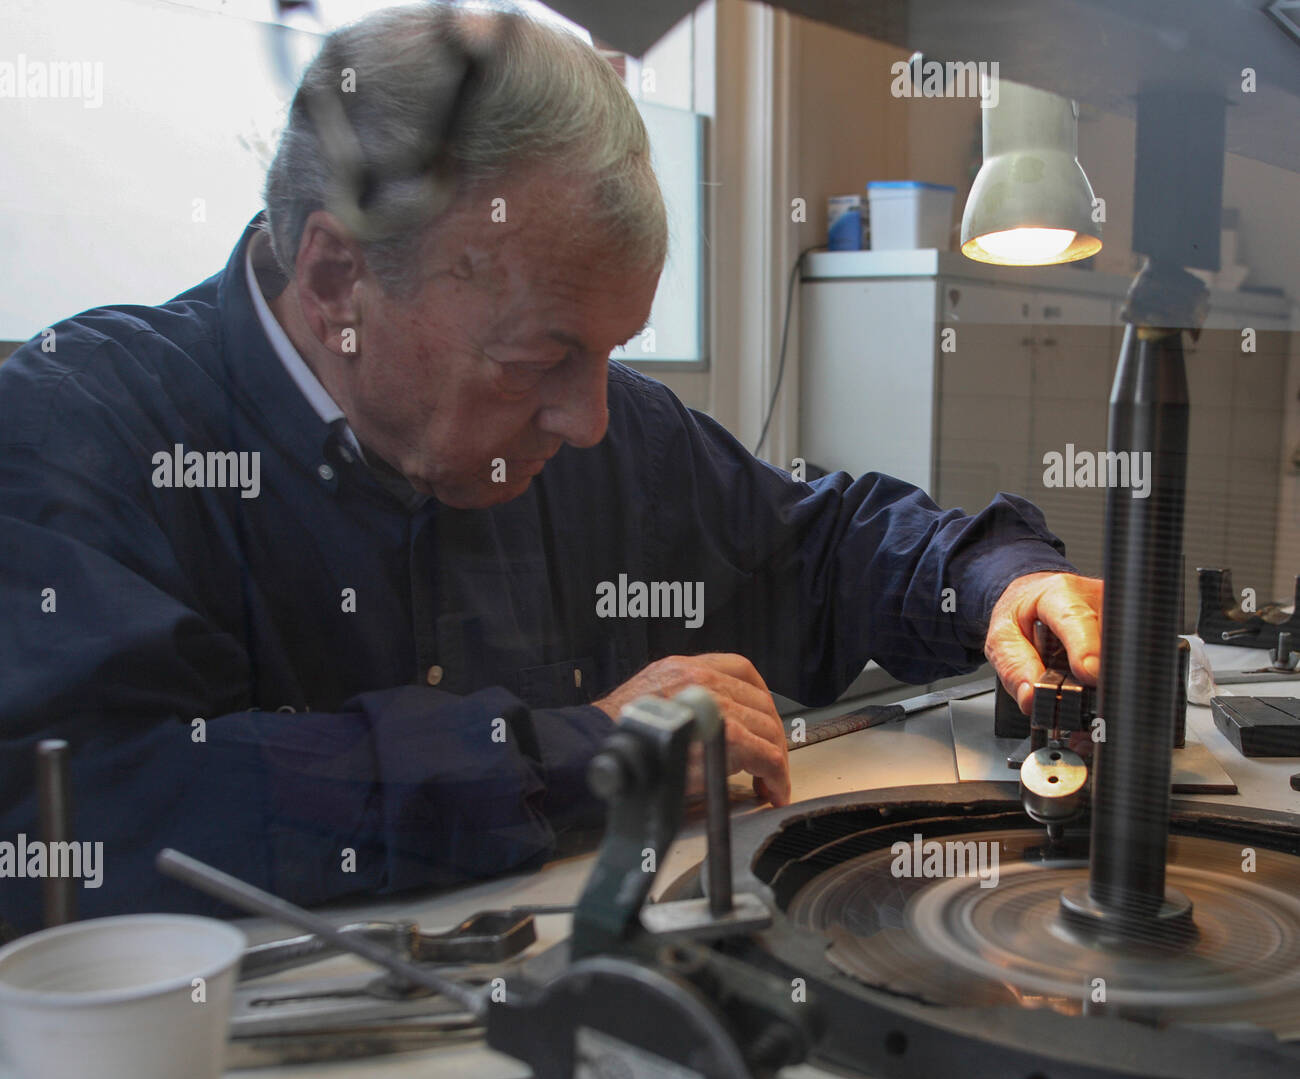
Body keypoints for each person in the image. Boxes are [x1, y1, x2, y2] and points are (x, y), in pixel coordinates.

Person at [0, 5, 1100, 932]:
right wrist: (580, 755)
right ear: (337, 281)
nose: (587, 418)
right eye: (539, 359)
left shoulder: (604, 429)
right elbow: (84, 802)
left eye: (612, 351)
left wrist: (994, 581)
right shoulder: (80, 426)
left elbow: (819, 547)